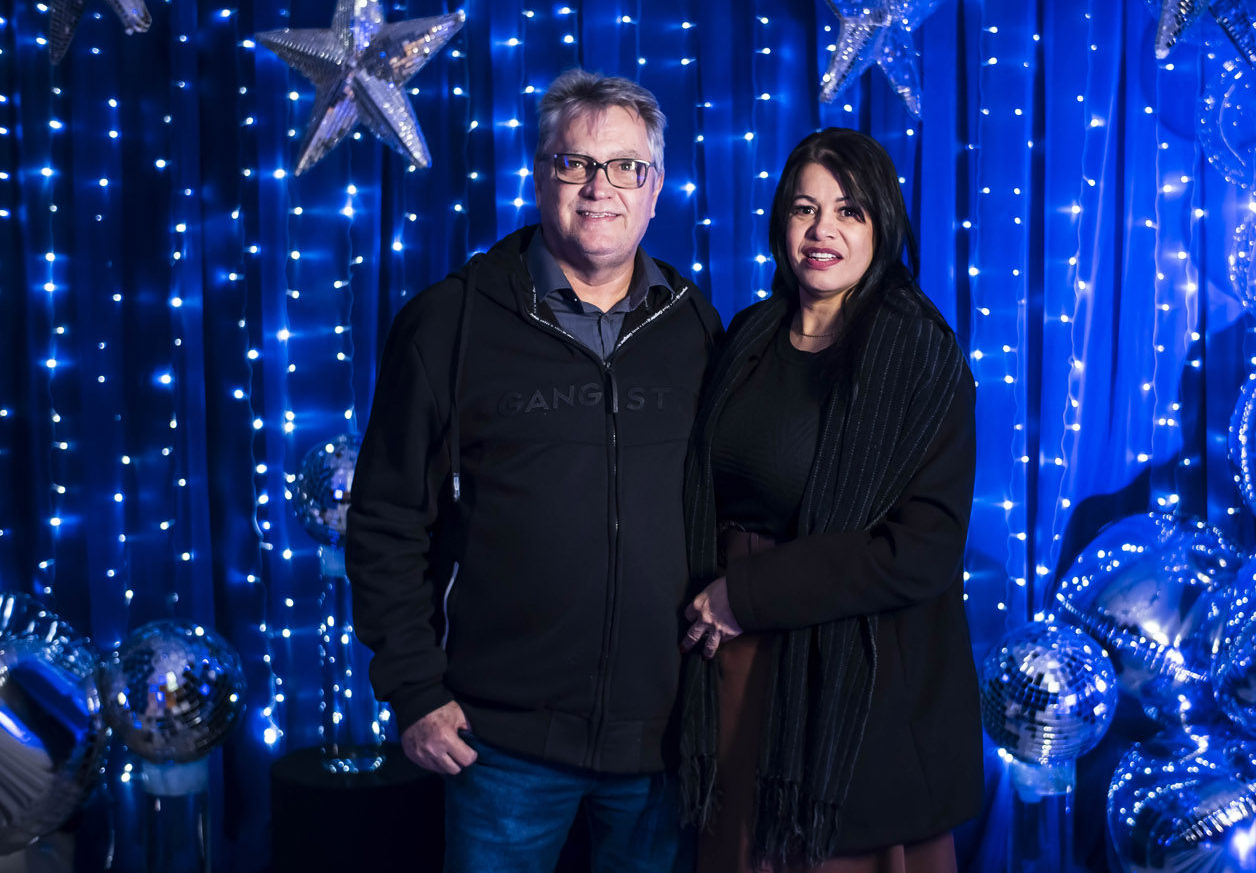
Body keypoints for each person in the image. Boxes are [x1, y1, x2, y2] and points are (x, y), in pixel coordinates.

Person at [346, 69, 722, 872]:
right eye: (574, 163)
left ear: (655, 189)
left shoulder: (695, 325)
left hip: (660, 742)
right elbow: (385, 521)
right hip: (500, 744)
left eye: (625, 167)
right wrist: (414, 691)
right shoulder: (447, 323)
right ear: (539, 175)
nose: (599, 188)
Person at [677, 128, 981, 873]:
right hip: (729, 669)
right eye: (804, 209)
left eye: (849, 211)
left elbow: (921, 551)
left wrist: (747, 595)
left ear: (882, 225)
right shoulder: (749, 334)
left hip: (850, 691)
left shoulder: (919, 357)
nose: (822, 231)